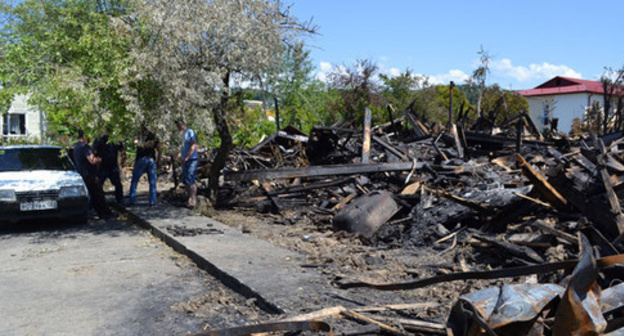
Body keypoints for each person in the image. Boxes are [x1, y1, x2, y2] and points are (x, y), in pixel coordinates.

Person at [73, 130, 115, 219]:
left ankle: (96, 212)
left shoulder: (76, 147)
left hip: (82, 174)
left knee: (93, 195)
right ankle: (104, 214)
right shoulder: (85, 147)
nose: (89, 139)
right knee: (98, 195)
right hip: (90, 174)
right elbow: (92, 160)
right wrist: (99, 159)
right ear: (84, 137)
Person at [128, 128, 161, 206]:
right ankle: (152, 201)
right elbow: (159, 150)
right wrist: (158, 161)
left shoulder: (140, 136)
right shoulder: (154, 137)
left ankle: (132, 200)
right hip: (151, 160)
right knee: (152, 181)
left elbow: (134, 143)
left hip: (141, 159)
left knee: (135, 180)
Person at [93, 127, 126, 204]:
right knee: (99, 184)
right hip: (102, 166)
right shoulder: (99, 139)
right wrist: (96, 161)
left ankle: (120, 200)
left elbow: (122, 150)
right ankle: (97, 201)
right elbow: (94, 151)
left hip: (112, 166)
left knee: (117, 184)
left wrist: (123, 159)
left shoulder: (115, 140)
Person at [176, 118, 199, 209]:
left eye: (178, 125)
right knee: (186, 179)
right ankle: (189, 198)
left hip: (191, 159)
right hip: (184, 159)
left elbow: (193, 145)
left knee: (191, 178)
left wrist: (187, 157)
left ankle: (193, 199)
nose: (177, 127)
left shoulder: (190, 132)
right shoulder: (182, 134)